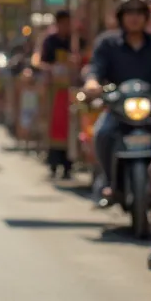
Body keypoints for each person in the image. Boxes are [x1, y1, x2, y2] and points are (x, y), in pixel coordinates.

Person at [83, 0, 151, 206]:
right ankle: (109, 181)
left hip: (150, 108)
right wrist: (92, 83)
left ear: (146, 17)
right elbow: (94, 70)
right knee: (102, 133)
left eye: (139, 12)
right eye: (129, 12)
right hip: (117, 108)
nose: (134, 18)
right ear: (121, 17)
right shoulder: (107, 43)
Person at [38, 10, 85, 179]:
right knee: (54, 127)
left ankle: (68, 165)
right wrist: (53, 68)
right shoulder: (50, 41)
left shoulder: (78, 41)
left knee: (72, 127)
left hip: (73, 90)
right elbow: (42, 62)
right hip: (55, 90)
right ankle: (53, 163)